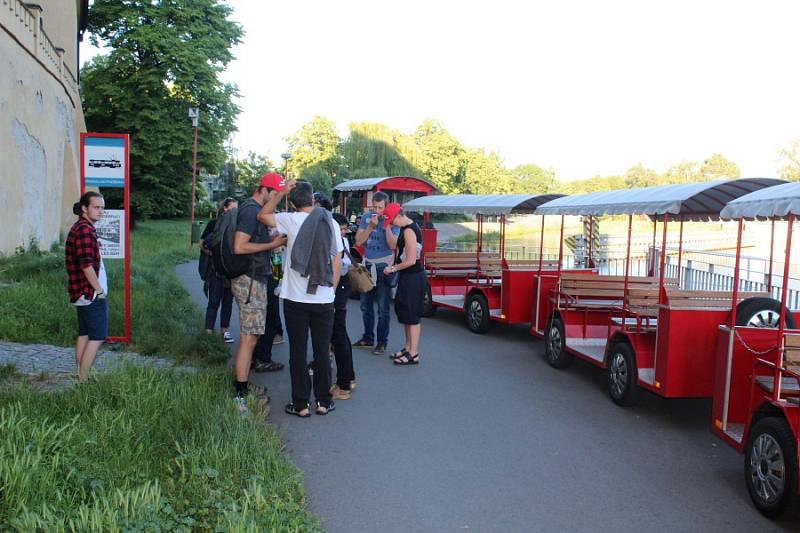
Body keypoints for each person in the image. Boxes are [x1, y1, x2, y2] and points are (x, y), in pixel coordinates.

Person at [258, 179, 343, 417]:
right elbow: (336, 260)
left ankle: (301, 405)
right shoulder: (330, 222)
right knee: (322, 351)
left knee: (297, 350)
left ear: (293, 203)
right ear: (313, 200)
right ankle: (324, 402)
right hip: (324, 297)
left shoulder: (290, 219)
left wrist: (280, 194)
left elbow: (263, 216)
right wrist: (332, 289)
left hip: (295, 300)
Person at [230, 173, 288, 411]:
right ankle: (240, 394)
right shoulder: (249, 211)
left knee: (253, 336)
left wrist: (272, 237)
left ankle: (244, 385)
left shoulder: (254, 209)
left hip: (255, 279)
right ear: (264, 190)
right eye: (275, 195)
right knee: (247, 337)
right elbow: (239, 246)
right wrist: (272, 245)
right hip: (250, 280)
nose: (275, 201)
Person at [65, 191, 108, 382]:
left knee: (84, 333)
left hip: (81, 293)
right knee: (97, 336)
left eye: (102, 208)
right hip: (90, 293)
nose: (100, 211)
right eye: (96, 207)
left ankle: (80, 374)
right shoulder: (84, 230)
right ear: (84, 208)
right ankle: (83, 380)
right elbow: (86, 266)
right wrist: (98, 290)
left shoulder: (81, 228)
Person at [352, 191, 399, 356]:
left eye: (380, 207)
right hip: (367, 266)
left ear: (386, 206)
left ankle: (381, 342)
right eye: (375, 207)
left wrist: (385, 225)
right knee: (365, 305)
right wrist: (371, 226)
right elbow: (358, 241)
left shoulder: (392, 220)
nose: (377, 211)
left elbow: (393, 246)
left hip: (383, 267)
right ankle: (367, 337)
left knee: (383, 308)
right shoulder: (366, 218)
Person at [382, 203, 425, 365]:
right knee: (407, 313)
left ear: (398, 216)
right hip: (409, 277)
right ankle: (408, 348)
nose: (391, 224)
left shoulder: (409, 230)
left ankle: (413, 353)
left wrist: (392, 268)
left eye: (391, 221)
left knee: (412, 316)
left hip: (413, 277)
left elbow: (411, 260)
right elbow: (395, 247)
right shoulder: (406, 228)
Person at [200, 197, 237, 343]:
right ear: (225, 209)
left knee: (228, 301)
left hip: (231, 270)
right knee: (214, 301)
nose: (235, 212)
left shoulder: (237, 225)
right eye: (233, 208)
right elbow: (202, 244)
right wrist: (214, 255)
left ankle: (224, 331)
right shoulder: (214, 223)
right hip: (216, 270)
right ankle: (208, 331)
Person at [330, 213, 356, 399]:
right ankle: (349, 378)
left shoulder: (339, 242)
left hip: (338, 288)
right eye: (342, 228)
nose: (345, 231)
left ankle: (344, 383)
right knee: (339, 333)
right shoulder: (338, 241)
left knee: (337, 333)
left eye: (346, 228)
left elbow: (337, 269)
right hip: (340, 287)